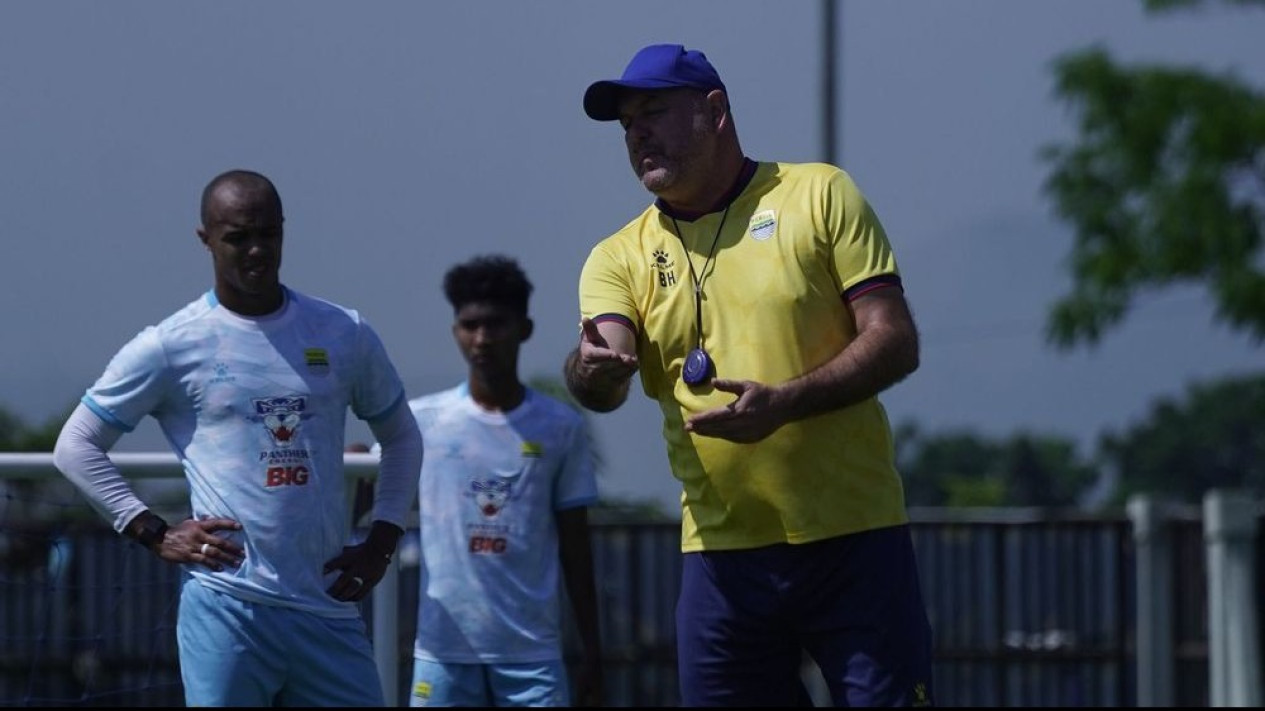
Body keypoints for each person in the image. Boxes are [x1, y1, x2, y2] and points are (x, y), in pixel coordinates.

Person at [565, 44, 936, 707]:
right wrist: (591, 368)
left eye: (654, 113)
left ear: (714, 111)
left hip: (853, 540)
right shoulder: (616, 257)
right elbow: (604, 371)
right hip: (721, 556)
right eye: (627, 124)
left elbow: (894, 339)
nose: (637, 135)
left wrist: (788, 402)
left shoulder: (818, 194)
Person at [51, 169, 424, 707]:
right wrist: (154, 532)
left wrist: (383, 542)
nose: (256, 251)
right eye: (237, 237)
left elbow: (402, 435)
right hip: (227, 607)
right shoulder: (170, 345)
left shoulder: (343, 332)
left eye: (268, 234)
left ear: (284, 230)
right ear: (205, 239)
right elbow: (76, 445)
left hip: (327, 604)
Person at [387, 254, 603, 707]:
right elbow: (363, 495)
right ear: (455, 331)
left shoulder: (560, 427)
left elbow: (576, 546)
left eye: (496, 324)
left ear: (524, 328)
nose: (482, 338)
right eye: (470, 325)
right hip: (443, 651)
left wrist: (592, 649)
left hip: (531, 655)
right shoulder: (423, 423)